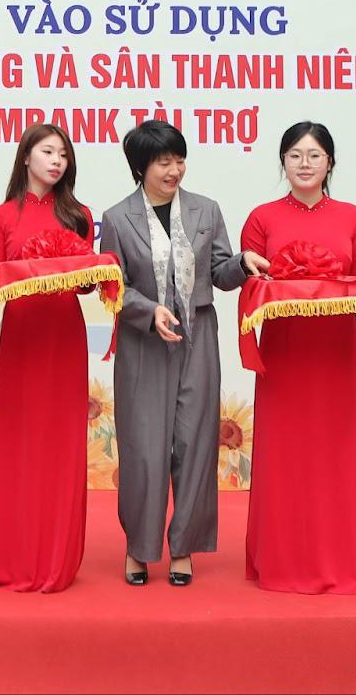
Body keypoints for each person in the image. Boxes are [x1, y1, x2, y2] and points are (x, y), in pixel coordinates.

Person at [98, 120, 255, 586]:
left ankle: (183, 545)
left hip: (197, 336)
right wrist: (149, 311)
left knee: (195, 442)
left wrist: (242, 264)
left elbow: (220, 272)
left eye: (179, 160)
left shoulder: (207, 210)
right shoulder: (117, 218)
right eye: (163, 162)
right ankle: (139, 546)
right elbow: (113, 287)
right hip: (144, 342)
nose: (174, 170)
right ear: (140, 167)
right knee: (144, 449)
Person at [240, 120, 356, 595]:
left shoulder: (354, 218)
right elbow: (252, 289)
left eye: (314, 155)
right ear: (283, 161)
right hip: (284, 355)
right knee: (285, 456)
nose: (304, 163)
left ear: (330, 162)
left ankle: (339, 561)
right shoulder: (261, 218)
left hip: (336, 354)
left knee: (335, 455)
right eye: (295, 155)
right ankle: (282, 561)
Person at [0, 124, 96, 593]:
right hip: (22, 337)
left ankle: (57, 557)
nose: (56, 161)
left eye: (63, 154)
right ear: (26, 158)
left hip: (64, 335)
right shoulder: (1, 217)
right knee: (19, 443)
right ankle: (12, 555)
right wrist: (34, 269)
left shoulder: (79, 214)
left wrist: (83, 271)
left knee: (61, 444)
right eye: (47, 152)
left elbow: (86, 282)